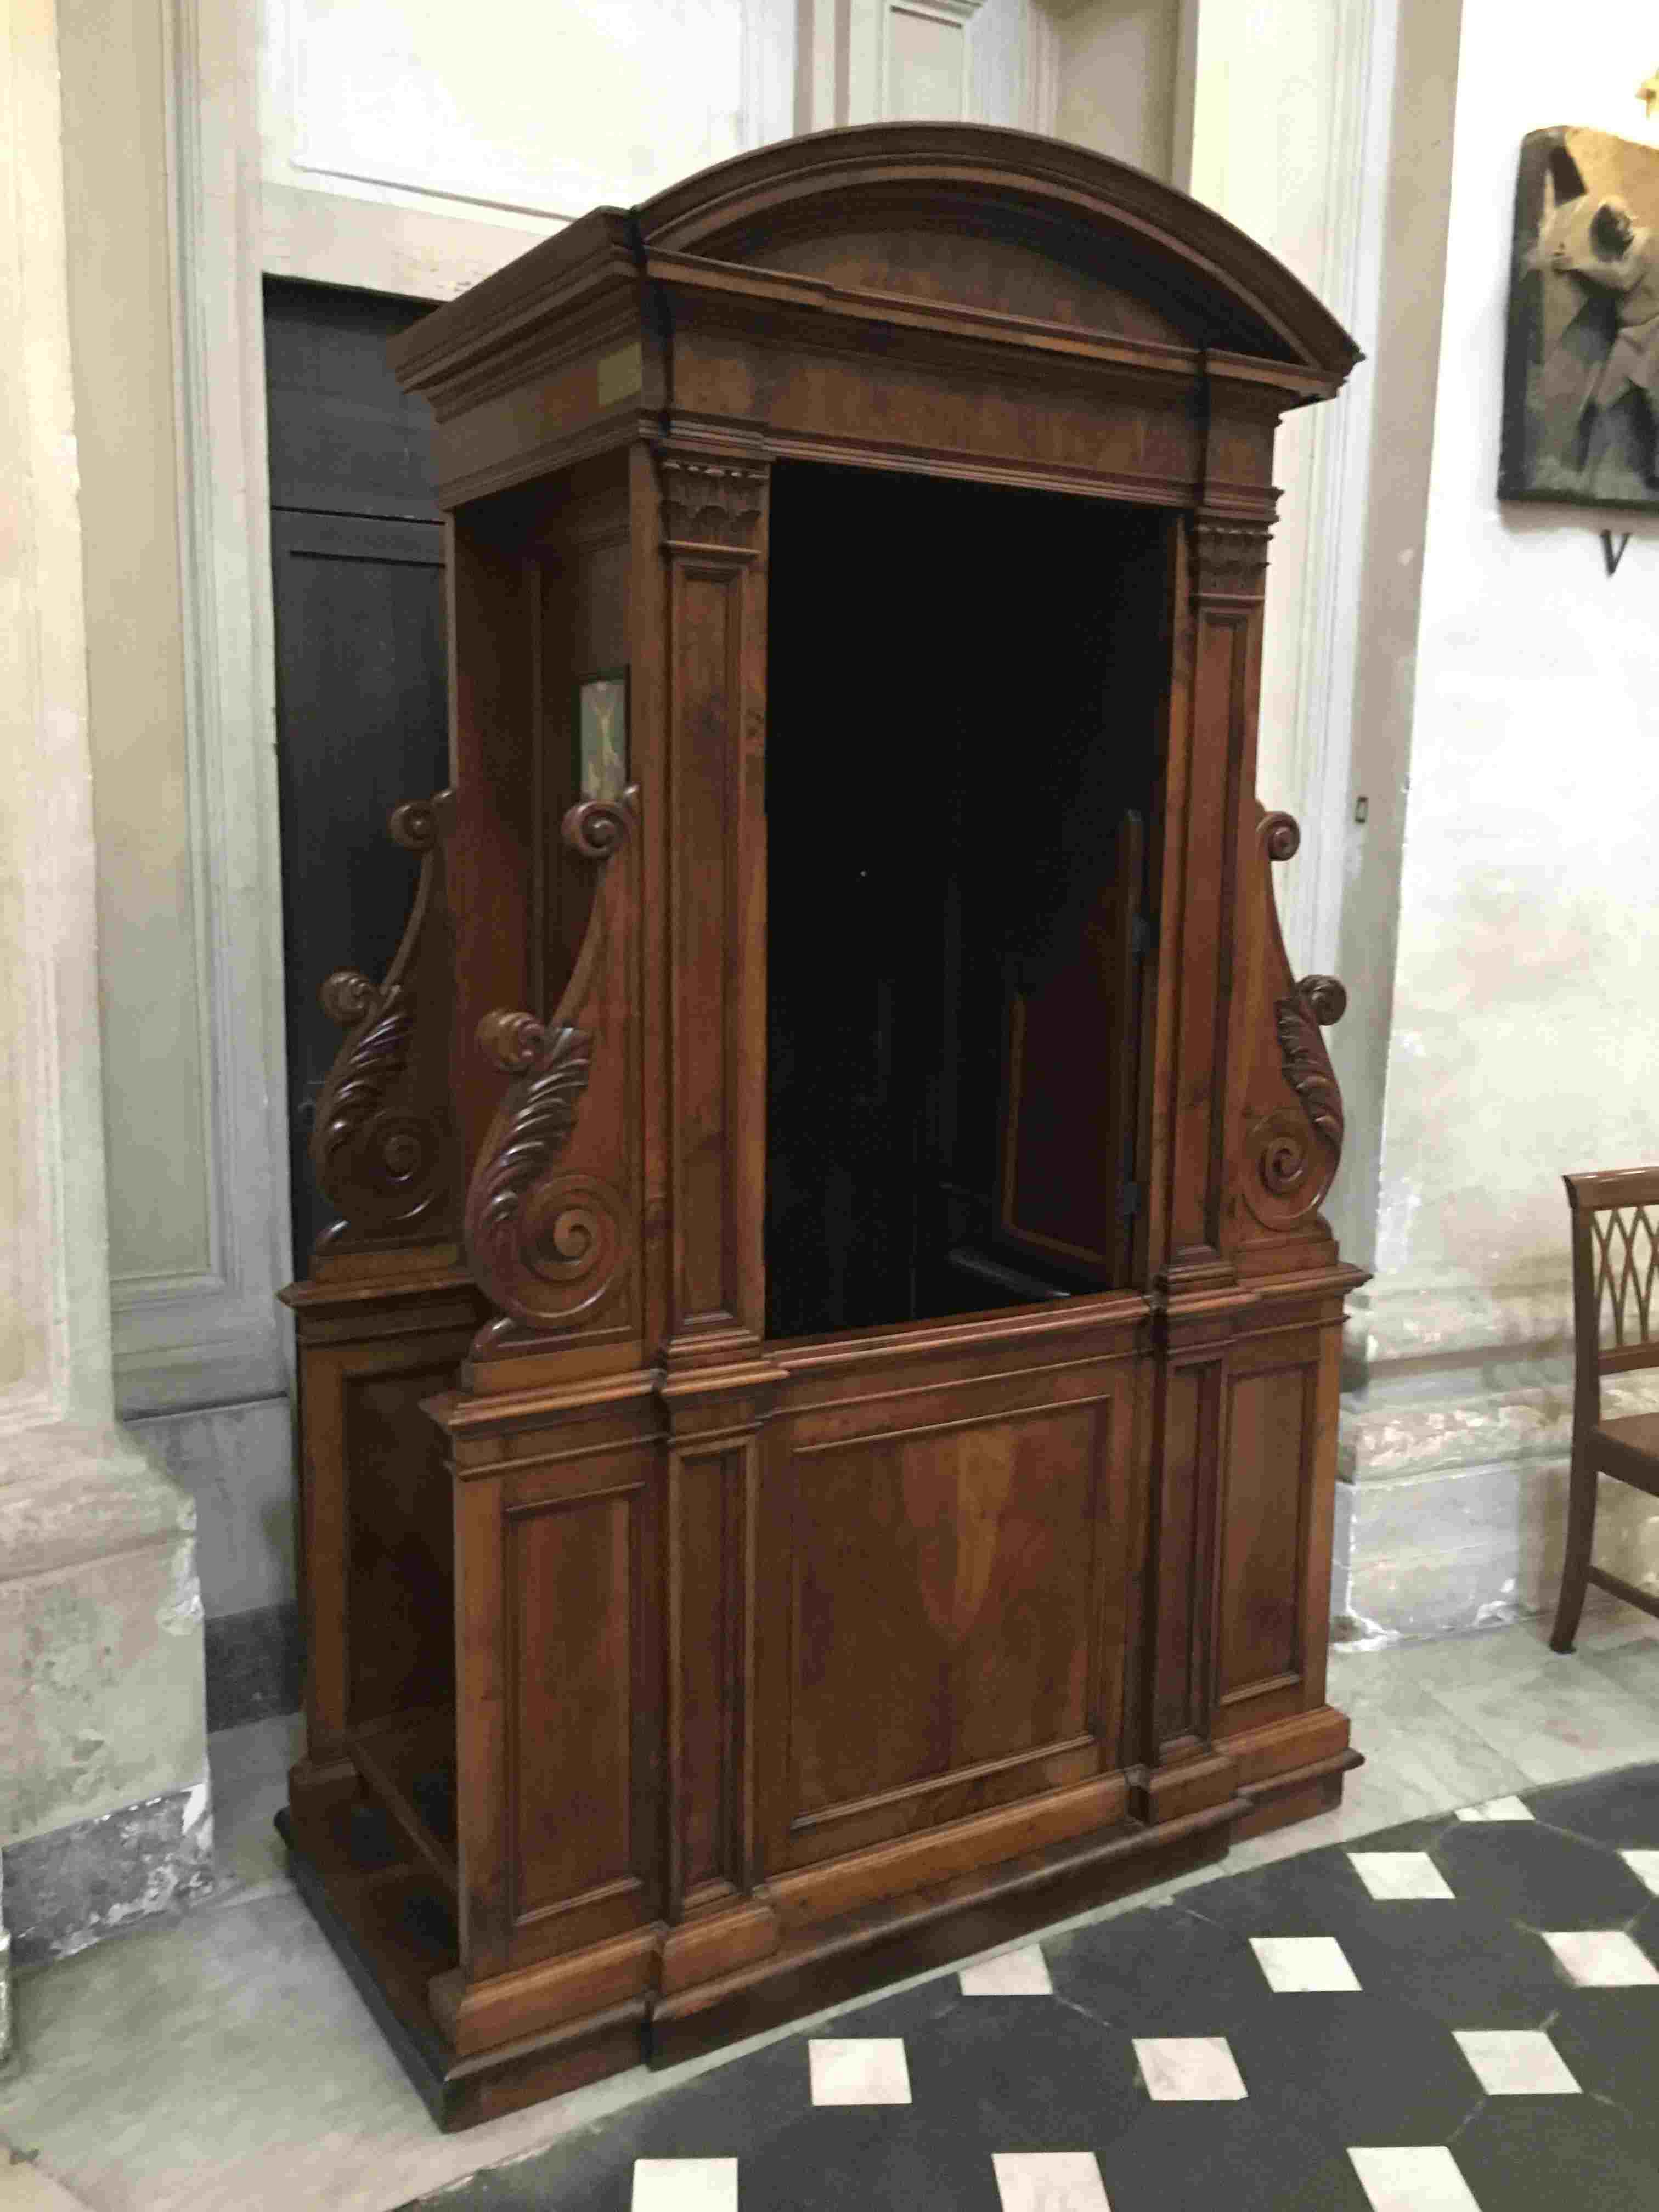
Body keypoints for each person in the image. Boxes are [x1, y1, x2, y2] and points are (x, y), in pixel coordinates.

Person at [1548, 196, 1659, 483]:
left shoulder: (1646, 241)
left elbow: (1622, 279)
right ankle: (1579, 472)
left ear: (1627, 221)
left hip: (1655, 334)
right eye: (1613, 226)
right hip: (1631, 337)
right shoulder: (1621, 251)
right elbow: (1613, 276)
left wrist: (1575, 264)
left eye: (1621, 221)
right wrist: (1573, 263)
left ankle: (1654, 474)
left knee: (1653, 403)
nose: (1621, 227)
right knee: (1600, 401)